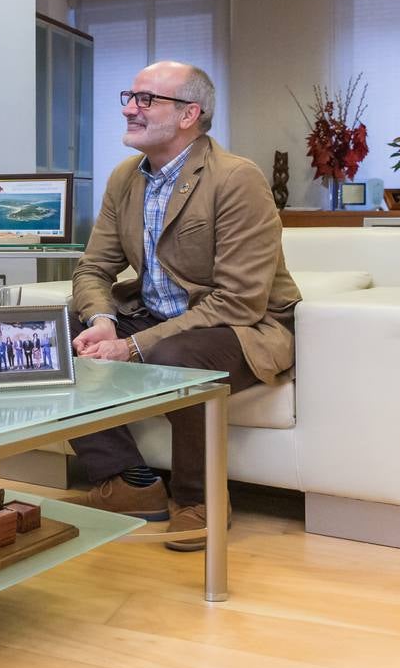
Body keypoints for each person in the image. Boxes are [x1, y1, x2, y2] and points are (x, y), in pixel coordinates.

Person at [69, 60, 301, 551]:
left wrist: (133, 346)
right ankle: (129, 483)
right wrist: (104, 320)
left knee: (177, 358)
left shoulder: (238, 178)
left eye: (146, 99)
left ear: (188, 114)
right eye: (129, 98)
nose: (130, 109)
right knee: (50, 332)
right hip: (157, 317)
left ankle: (198, 498)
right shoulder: (124, 178)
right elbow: (92, 269)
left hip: (240, 327)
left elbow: (238, 300)